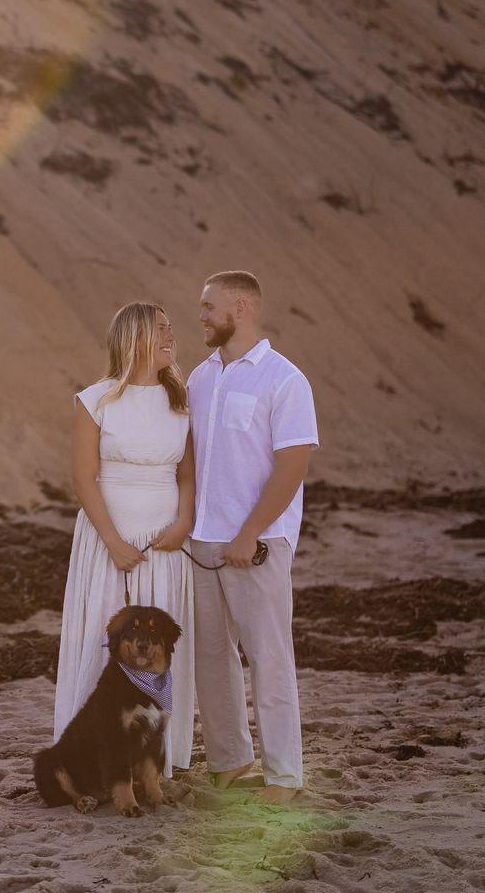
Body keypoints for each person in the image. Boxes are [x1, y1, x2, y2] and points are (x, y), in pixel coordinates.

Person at [186, 271, 318, 805]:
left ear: (241, 308)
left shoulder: (284, 380)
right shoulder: (198, 378)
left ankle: (284, 776)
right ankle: (230, 761)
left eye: (208, 306)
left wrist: (249, 533)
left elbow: (292, 467)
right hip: (201, 543)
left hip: (257, 546)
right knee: (212, 658)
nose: (200, 316)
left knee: (269, 657)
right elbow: (191, 463)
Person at [53, 302, 197, 777]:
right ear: (135, 337)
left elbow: (187, 476)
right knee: (105, 637)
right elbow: (84, 480)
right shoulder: (94, 400)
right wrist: (113, 541)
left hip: (167, 545)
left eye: (171, 328)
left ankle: (154, 764)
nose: (172, 336)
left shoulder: (182, 401)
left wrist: (182, 525)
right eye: (161, 329)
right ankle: (93, 763)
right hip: (107, 542)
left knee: (159, 650)